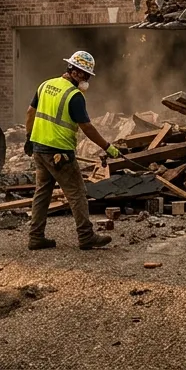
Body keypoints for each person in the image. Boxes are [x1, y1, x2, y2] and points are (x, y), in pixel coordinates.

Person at [23, 50, 120, 250]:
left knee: (42, 193)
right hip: (60, 153)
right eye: (84, 74)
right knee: (77, 193)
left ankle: (36, 237)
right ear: (74, 71)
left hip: (39, 150)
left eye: (87, 75)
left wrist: (28, 138)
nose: (86, 79)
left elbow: (30, 112)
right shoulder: (74, 96)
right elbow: (87, 127)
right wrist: (108, 147)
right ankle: (86, 236)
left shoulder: (45, 85)